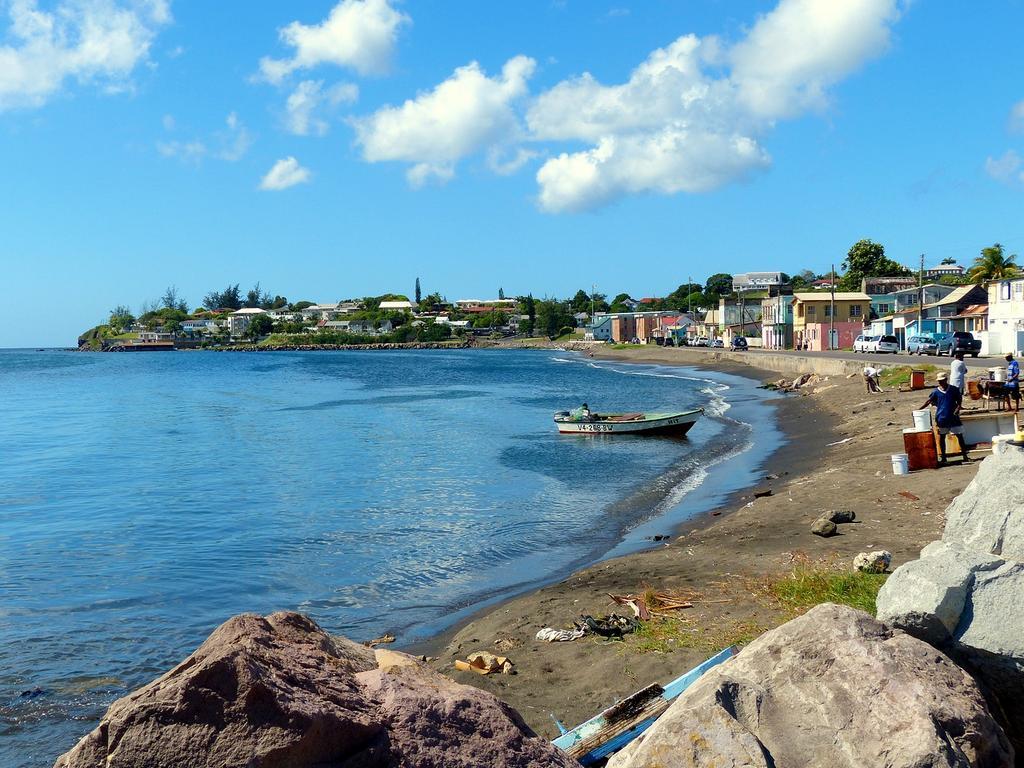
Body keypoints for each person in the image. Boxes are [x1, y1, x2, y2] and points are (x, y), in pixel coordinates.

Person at [920, 372, 969, 464]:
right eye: (939, 381)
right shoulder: (935, 392)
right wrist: (919, 409)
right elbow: (929, 401)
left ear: (946, 380)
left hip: (953, 417)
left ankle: (965, 456)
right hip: (942, 417)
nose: (940, 383)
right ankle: (943, 457)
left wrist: (958, 408)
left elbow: (959, 400)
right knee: (942, 437)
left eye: (941, 381)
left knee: (959, 436)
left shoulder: (953, 389)